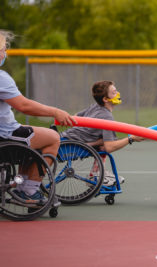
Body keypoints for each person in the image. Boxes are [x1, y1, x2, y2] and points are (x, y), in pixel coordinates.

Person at [0, 29, 75, 203]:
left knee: (33, 138)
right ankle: (28, 190)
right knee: (52, 138)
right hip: (5, 134)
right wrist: (55, 111)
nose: (5, 53)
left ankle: (21, 184)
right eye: (4, 48)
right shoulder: (2, 78)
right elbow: (24, 106)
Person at [60, 80, 143, 186]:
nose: (117, 94)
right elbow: (110, 147)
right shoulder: (106, 116)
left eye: (116, 90)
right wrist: (131, 139)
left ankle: (96, 174)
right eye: (114, 92)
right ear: (105, 99)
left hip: (66, 138)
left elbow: (76, 117)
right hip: (71, 145)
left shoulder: (95, 106)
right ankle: (96, 175)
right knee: (107, 144)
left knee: (103, 143)